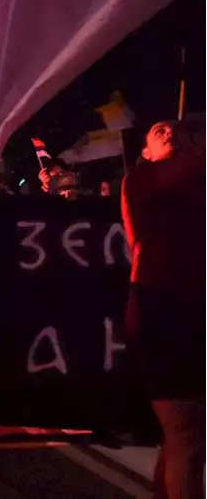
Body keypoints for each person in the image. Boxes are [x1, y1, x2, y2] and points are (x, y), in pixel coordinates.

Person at [122, 120, 207, 499]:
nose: (169, 131)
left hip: (197, 309)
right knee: (185, 432)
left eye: (177, 129)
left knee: (189, 438)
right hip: (164, 310)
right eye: (158, 130)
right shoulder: (142, 180)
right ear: (145, 152)